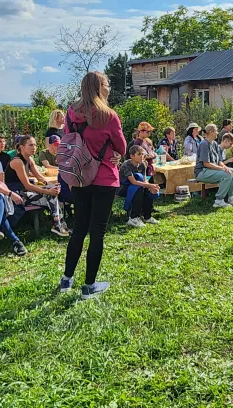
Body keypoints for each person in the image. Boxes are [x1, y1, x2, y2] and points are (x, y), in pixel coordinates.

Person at [60, 71, 127, 300]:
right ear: (99, 87)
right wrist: (114, 153)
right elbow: (121, 147)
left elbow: (68, 140)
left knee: (79, 228)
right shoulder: (108, 115)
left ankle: (66, 279)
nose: (109, 88)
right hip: (105, 177)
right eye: (107, 84)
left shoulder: (71, 112)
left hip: (79, 176)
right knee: (97, 233)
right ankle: (89, 286)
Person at [5, 135, 68, 237]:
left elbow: (40, 178)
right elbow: (27, 185)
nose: (34, 147)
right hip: (16, 195)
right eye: (30, 145)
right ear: (22, 147)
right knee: (50, 195)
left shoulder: (30, 159)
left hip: (25, 192)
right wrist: (48, 191)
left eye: (35, 145)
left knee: (52, 193)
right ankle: (59, 225)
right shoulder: (17, 161)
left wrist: (52, 186)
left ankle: (58, 224)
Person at [194, 124, 233, 208]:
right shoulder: (204, 144)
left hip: (211, 170)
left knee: (232, 171)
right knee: (227, 174)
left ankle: (231, 198)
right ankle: (219, 200)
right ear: (210, 132)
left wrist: (224, 167)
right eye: (216, 131)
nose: (217, 133)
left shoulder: (214, 144)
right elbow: (206, 164)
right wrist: (221, 168)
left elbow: (219, 161)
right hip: (202, 172)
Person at [119, 145, 160, 228]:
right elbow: (133, 182)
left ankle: (147, 216)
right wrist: (149, 185)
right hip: (122, 187)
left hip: (136, 186)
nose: (142, 156)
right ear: (132, 156)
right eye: (139, 154)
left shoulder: (143, 164)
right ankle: (133, 218)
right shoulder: (126, 165)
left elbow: (144, 180)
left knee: (146, 190)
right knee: (139, 190)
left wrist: (151, 187)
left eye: (142, 154)